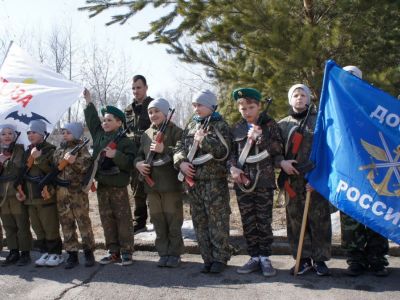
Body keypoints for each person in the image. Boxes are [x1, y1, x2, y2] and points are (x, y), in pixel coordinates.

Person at [174, 90, 231, 274]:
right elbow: (179, 146)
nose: (195, 108)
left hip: (214, 182)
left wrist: (204, 140)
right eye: (194, 105)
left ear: (211, 106)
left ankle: (220, 258)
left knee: (217, 221)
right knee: (200, 221)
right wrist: (180, 162)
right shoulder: (191, 124)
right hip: (194, 182)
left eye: (199, 105)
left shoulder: (220, 125)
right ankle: (207, 258)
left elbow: (223, 152)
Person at [228, 88, 283, 277]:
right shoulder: (237, 128)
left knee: (264, 221)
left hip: (264, 180)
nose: (247, 112)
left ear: (259, 106)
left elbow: (278, 148)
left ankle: (266, 258)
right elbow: (232, 153)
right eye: (243, 109)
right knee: (248, 221)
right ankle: (253, 257)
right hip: (243, 181)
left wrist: (261, 138)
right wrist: (233, 168)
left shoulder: (269, 124)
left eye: (251, 107)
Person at [278, 84, 332, 276]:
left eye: (303, 95)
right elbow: (274, 150)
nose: (299, 98)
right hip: (292, 182)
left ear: (309, 99)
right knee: (295, 222)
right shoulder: (282, 124)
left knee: (319, 220)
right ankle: (301, 259)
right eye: (295, 95)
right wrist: (281, 162)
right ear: (290, 99)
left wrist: (319, 178)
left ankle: (320, 260)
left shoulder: (321, 121)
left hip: (315, 180)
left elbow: (330, 152)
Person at [340, 65, 389, 277]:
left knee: (377, 214)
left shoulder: (373, 102)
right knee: (352, 214)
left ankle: (377, 259)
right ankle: (356, 260)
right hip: (349, 169)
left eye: (354, 78)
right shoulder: (336, 103)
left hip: (376, 168)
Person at [84, 89, 135, 266]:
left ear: (119, 122)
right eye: (104, 120)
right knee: (106, 219)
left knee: (123, 219)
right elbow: (91, 120)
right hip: (103, 186)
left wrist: (116, 155)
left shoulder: (125, 141)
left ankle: (127, 251)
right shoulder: (99, 135)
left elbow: (130, 164)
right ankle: (113, 251)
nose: (105, 122)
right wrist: (89, 102)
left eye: (109, 120)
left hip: (118, 186)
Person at [135, 98, 184, 268]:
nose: (153, 114)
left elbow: (182, 152)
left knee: (173, 221)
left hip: (170, 186)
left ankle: (175, 254)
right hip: (152, 186)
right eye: (150, 112)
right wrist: (138, 164)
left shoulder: (176, 131)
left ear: (165, 112)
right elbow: (139, 154)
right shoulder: (146, 134)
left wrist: (165, 150)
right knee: (158, 221)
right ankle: (163, 253)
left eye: (156, 111)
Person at [16, 120, 63, 267]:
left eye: (34, 132)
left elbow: (53, 171)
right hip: (30, 198)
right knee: (37, 227)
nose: (30, 135)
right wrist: (20, 191)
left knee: (50, 227)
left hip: (45, 196)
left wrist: (38, 158)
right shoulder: (27, 151)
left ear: (42, 134)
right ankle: (45, 252)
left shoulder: (51, 150)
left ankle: (56, 254)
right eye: (28, 133)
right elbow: (23, 174)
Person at [52, 122, 96, 269]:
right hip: (61, 194)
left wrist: (74, 161)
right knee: (66, 224)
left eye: (68, 132)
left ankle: (88, 252)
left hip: (77, 193)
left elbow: (86, 168)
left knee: (83, 222)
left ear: (76, 133)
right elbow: (54, 168)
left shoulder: (82, 149)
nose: (65, 134)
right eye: (64, 131)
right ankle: (72, 254)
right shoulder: (59, 149)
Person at [125, 75, 154, 234]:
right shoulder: (128, 110)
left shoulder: (153, 105)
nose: (136, 91)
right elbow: (125, 131)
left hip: (151, 154)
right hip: (134, 156)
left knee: (154, 188)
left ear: (146, 87)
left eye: (139, 87)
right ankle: (140, 221)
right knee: (137, 190)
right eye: (133, 88)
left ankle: (157, 220)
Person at [0, 124, 32, 266]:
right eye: (3, 134)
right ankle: (13, 251)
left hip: (17, 194)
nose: (7, 136)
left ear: (15, 136)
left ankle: (25, 253)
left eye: (10, 134)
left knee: (22, 225)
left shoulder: (21, 151)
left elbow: (22, 170)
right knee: (8, 225)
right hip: (2, 197)